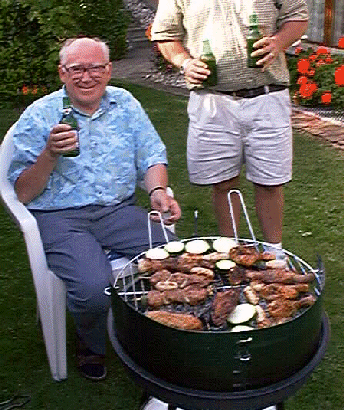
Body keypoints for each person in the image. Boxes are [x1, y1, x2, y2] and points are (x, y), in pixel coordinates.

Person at [8, 36, 181, 381]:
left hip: (117, 211)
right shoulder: (41, 115)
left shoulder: (126, 104)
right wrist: (50, 154)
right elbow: (23, 193)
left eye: (96, 68)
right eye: (77, 69)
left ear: (109, 70)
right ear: (62, 73)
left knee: (176, 260)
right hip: (60, 217)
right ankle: (91, 342)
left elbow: (151, 155)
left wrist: (159, 191)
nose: (87, 77)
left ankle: (160, 331)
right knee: (92, 288)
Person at [151, 0, 308, 258]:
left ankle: (274, 253)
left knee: (270, 182)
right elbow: (166, 35)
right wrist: (184, 62)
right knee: (223, 183)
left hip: (268, 96)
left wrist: (278, 43)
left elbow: (298, 17)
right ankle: (231, 250)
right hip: (212, 100)